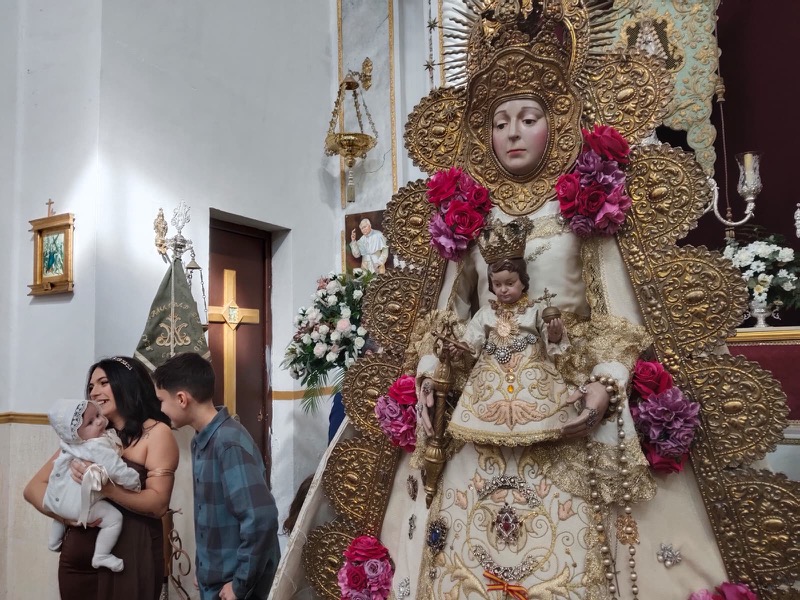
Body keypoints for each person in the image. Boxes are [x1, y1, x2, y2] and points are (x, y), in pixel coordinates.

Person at [24, 355, 179, 600]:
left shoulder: (157, 433)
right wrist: (68, 516)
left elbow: (158, 504)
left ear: (126, 383)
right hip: (78, 563)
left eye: (103, 383)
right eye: (91, 386)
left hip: (131, 557)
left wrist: (108, 489)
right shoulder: (89, 434)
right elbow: (33, 488)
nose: (94, 392)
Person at [153, 352, 280, 600]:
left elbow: (261, 519)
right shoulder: (201, 440)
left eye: (161, 400)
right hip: (218, 579)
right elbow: (209, 515)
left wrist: (240, 584)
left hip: (235, 587)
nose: (160, 409)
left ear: (181, 399)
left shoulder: (227, 443)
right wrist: (206, 568)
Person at [441, 256, 574, 445]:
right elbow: (474, 336)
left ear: (523, 282)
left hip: (532, 370)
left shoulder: (535, 309)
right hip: (491, 372)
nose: (503, 289)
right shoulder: (486, 313)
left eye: (510, 283)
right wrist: (463, 345)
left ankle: (539, 427)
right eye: (497, 284)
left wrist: (554, 333)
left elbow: (549, 337)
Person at [44, 398, 142, 572]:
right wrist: (134, 482)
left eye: (97, 414)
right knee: (114, 519)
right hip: (80, 506)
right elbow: (116, 470)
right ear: (75, 434)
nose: (99, 421)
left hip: (57, 499)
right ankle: (101, 555)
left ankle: (53, 541)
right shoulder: (96, 446)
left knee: (63, 508)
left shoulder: (68, 443)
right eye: (90, 422)